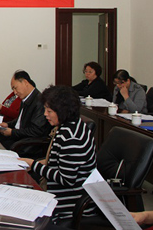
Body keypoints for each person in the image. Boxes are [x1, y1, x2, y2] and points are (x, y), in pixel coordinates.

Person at [19, 85, 97, 222]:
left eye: (49, 111)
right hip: (62, 194)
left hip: (70, 203)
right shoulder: (71, 125)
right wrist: (35, 164)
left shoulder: (71, 138)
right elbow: (58, 161)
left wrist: (34, 165)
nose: (45, 114)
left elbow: (66, 179)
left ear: (62, 111)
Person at [0, 70, 52, 156]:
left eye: (15, 88)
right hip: (19, 137)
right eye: (13, 89)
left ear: (25, 82)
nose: (15, 92)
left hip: (27, 143)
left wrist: (12, 132)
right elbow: (20, 119)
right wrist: (7, 124)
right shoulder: (26, 98)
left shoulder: (39, 101)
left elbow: (36, 131)